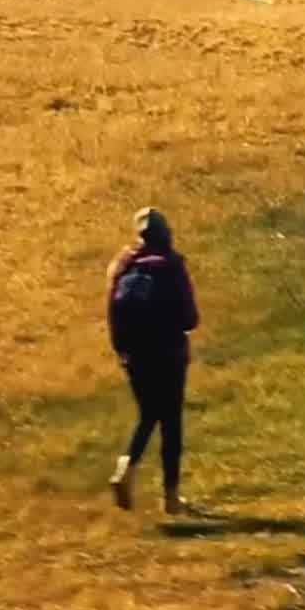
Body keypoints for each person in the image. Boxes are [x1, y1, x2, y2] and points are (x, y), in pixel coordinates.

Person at [105, 207, 200, 514]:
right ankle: (171, 497)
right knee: (171, 422)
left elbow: (112, 317)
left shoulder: (123, 267)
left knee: (149, 414)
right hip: (169, 356)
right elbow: (190, 319)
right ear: (166, 233)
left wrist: (124, 352)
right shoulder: (171, 266)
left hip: (135, 358)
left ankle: (127, 467)